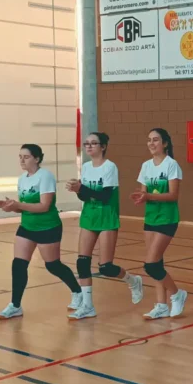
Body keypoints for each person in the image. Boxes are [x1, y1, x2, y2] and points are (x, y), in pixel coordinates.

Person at [0, 144, 82, 319]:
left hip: (47, 227)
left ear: (37, 159)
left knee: (53, 265)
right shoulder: (22, 179)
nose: (22, 160)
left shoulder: (45, 176)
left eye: (26, 157)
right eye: (20, 157)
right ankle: (15, 305)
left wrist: (18, 205)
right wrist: (12, 207)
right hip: (27, 226)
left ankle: (77, 291)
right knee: (18, 264)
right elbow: (24, 207)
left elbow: (44, 206)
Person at [65, 132, 144, 320]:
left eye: (93, 143)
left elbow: (105, 196)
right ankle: (88, 306)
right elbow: (85, 196)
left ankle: (133, 281)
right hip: (89, 216)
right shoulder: (86, 167)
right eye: (86, 143)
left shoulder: (110, 167)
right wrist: (77, 190)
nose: (89, 146)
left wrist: (82, 188)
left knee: (106, 267)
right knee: (82, 262)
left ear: (103, 146)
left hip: (106, 217)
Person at [131, 128, 188, 320]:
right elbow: (144, 192)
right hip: (151, 218)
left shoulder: (172, 165)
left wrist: (148, 196)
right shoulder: (146, 166)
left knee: (151, 265)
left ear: (164, 143)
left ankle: (177, 294)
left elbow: (173, 195)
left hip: (167, 219)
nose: (151, 143)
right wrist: (141, 197)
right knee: (157, 262)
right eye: (149, 140)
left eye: (155, 140)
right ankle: (161, 305)